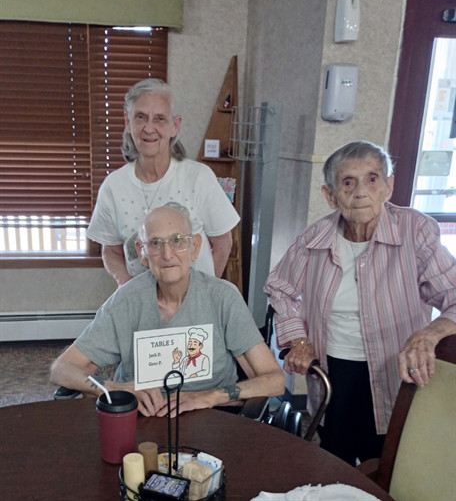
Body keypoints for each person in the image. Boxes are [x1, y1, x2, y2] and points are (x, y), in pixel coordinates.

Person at [264, 141, 456, 465]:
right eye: (348, 182)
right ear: (330, 195)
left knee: (387, 461)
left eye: (372, 179)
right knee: (333, 460)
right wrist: (299, 340)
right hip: (333, 370)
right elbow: (280, 289)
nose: (361, 192)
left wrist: (428, 335)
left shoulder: (415, 232)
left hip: (395, 371)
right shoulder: (314, 239)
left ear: (388, 187)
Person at [51, 205, 285, 417]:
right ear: (142, 252)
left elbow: (275, 380)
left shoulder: (222, 297)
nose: (167, 254)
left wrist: (208, 396)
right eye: (155, 243)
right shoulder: (127, 301)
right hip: (142, 416)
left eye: (177, 240)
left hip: (210, 414)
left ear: (195, 247)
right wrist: (117, 388)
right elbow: (62, 368)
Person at [86, 78, 240, 286]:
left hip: (194, 303)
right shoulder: (113, 187)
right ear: (128, 122)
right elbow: (111, 251)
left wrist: (203, 294)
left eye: (159, 119)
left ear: (175, 126)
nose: (149, 128)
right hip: (141, 304)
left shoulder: (199, 178)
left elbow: (223, 244)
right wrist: (128, 288)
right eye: (141, 117)